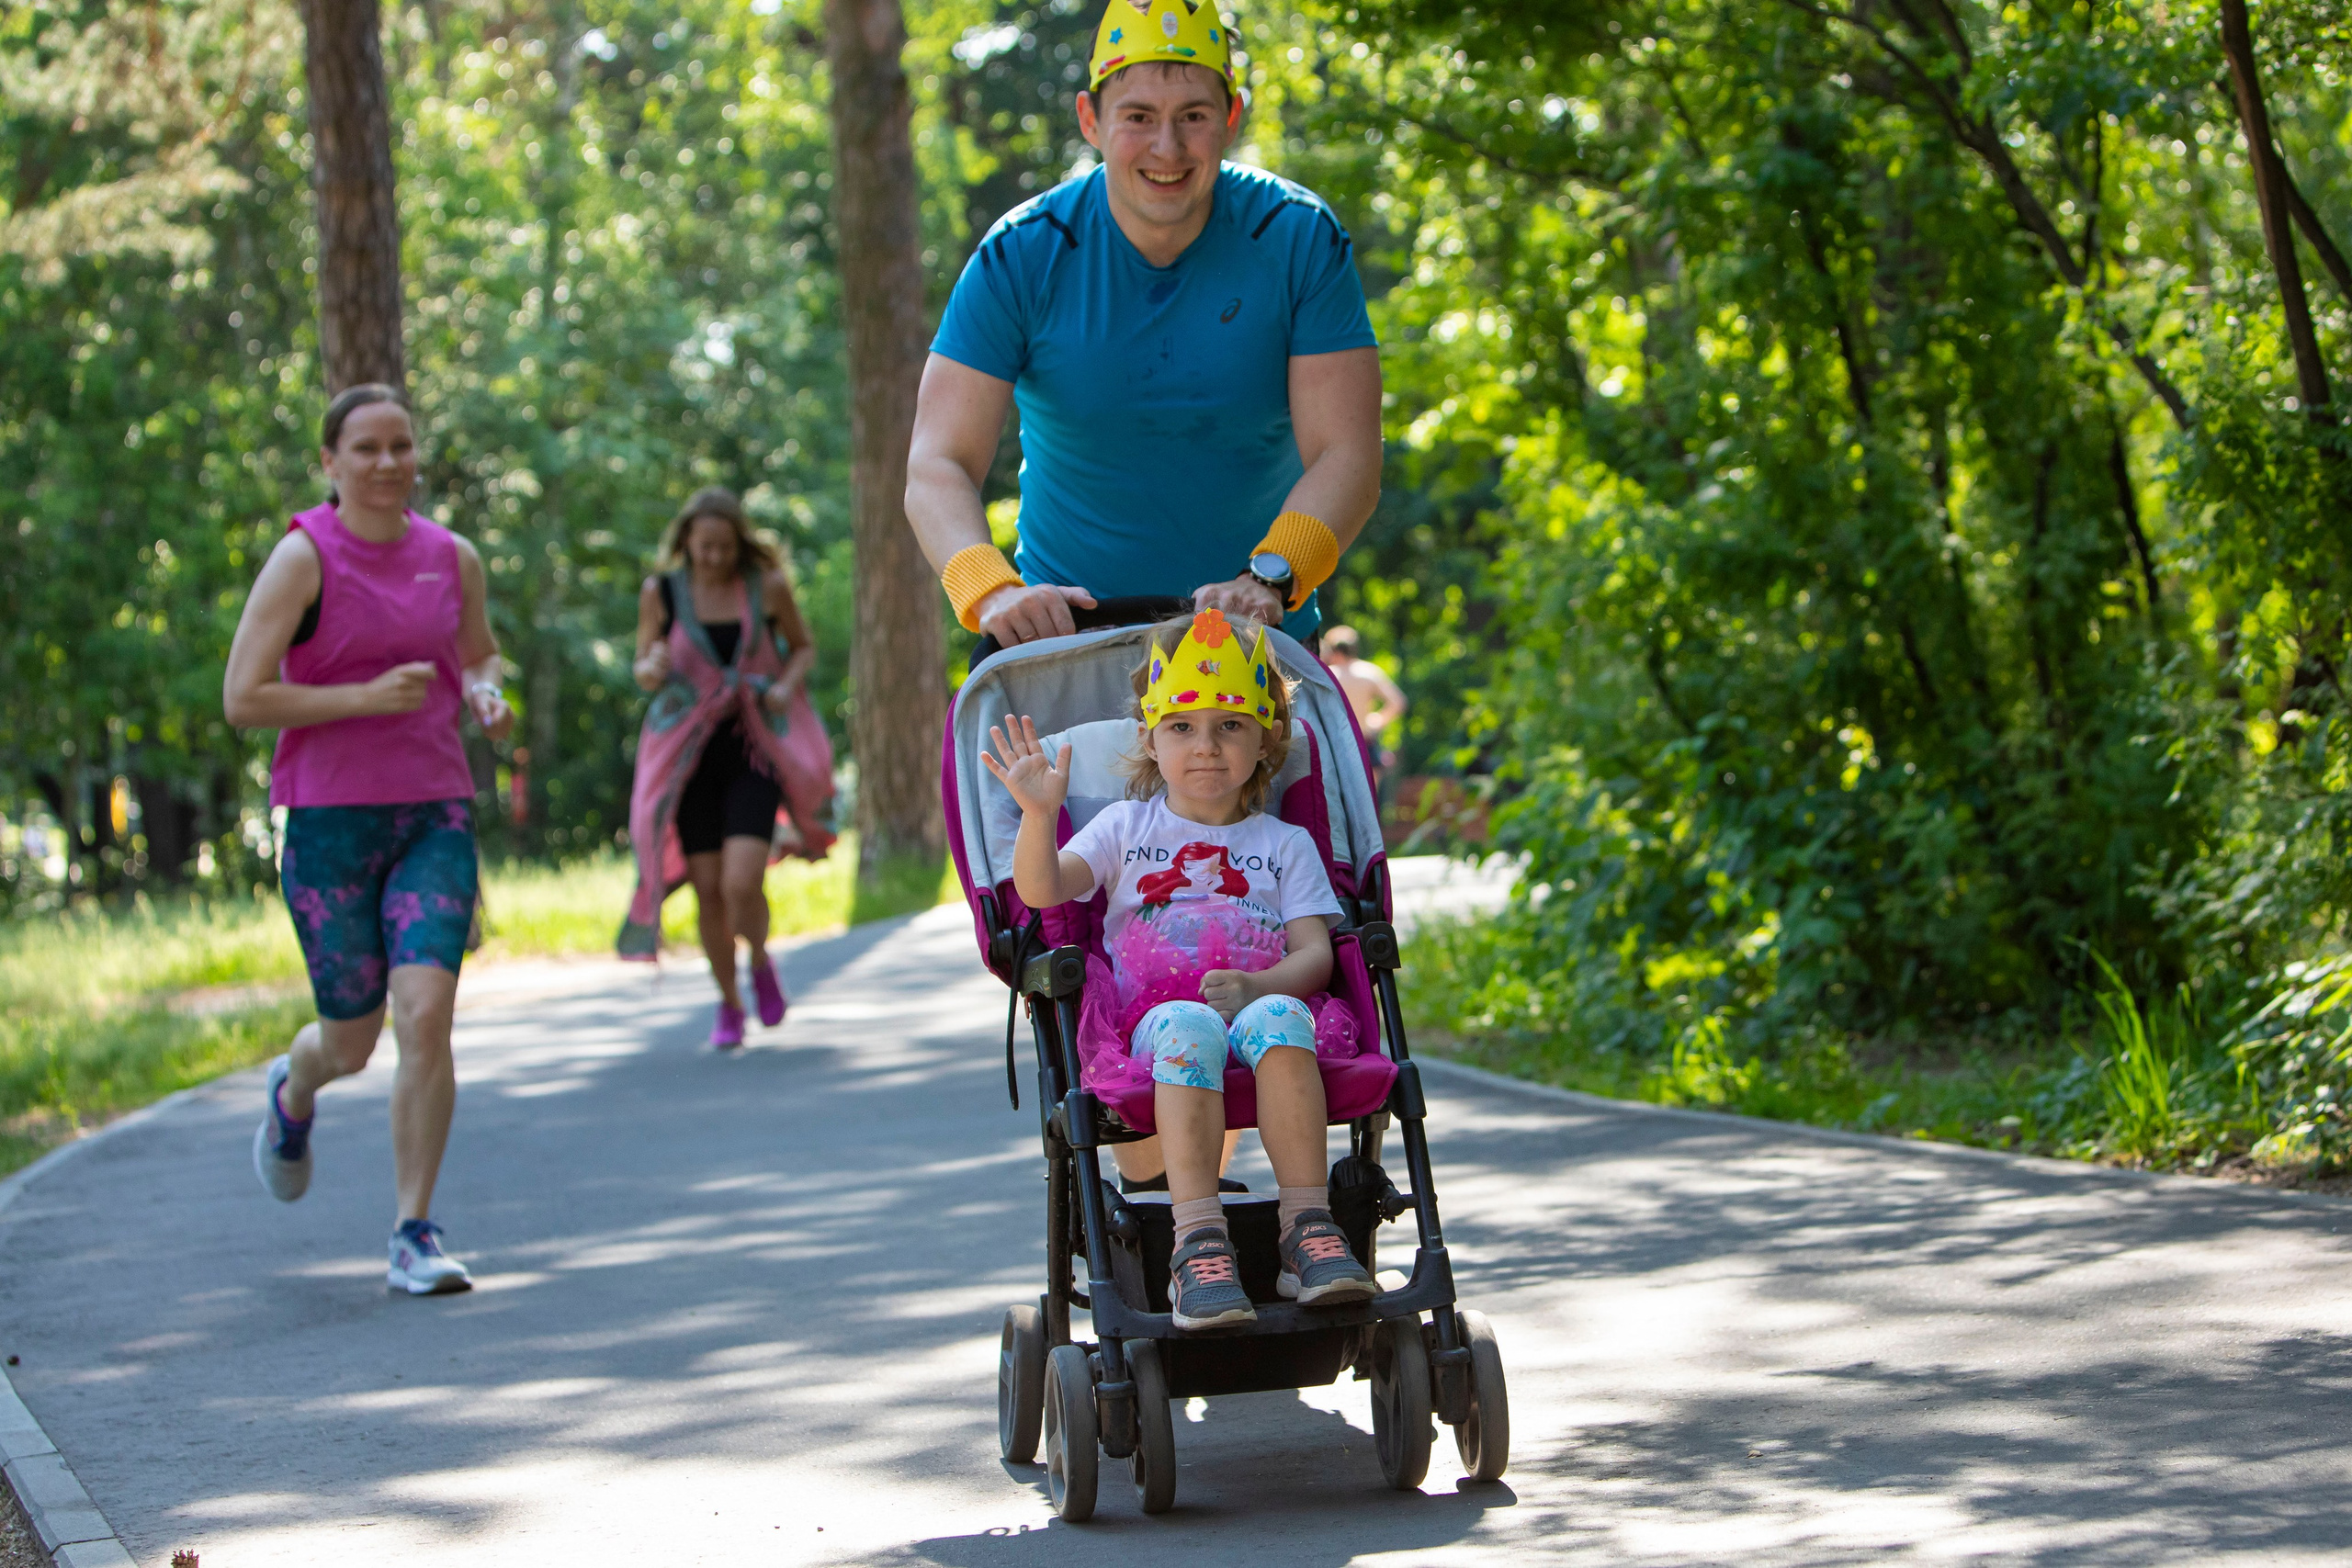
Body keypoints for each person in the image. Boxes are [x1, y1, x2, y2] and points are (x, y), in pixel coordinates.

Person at [909, 0, 1383, 1188]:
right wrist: (988, 586)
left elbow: (1348, 452)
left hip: (1251, 635)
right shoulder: (1026, 254)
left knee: (1286, 896)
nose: (1165, 148)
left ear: (1234, 115)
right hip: (1076, 641)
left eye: (1192, 116)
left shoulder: (1294, 238)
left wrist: (1274, 571)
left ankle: (1290, 1187)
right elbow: (937, 464)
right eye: (1136, 118)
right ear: (1090, 119)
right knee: (1103, 924)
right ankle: (1168, 1198)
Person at [982, 609, 1376, 1329]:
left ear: (1265, 742)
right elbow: (1043, 890)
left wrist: (1262, 985)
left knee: (1286, 1017)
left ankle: (1306, 1229)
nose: (1206, 746)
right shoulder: (1126, 829)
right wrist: (1039, 816)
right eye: (1183, 727)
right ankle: (1198, 1241)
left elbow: (1316, 953)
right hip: (1156, 1022)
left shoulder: (1284, 842)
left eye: (1230, 726)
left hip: (1265, 1004)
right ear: (1150, 739)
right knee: (1188, 1025)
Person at [224, 382, 513, 1296]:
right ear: (331, 463)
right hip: (329, 822)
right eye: (367, 449)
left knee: (424, 1012)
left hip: (434, 810)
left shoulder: (450, 556)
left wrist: (484, 692)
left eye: (402, 446)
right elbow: (243, 697)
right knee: (348, 1042)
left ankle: (413, 1232)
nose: (389, 463)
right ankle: (293, 1090)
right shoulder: (303, 558)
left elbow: (476, 652)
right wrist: (358, 697)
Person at [619, 487, 836, 1050]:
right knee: (709, 890)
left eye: (723, 547)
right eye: (703, 547)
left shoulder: (766, 588)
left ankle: (760, 959)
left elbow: (803, 648)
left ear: (738, 544)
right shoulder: (661, 592)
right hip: (688, 759)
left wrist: (786, 686)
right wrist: (653, 664)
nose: (713, 557)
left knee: (743, 880)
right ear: (686, 542)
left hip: (751, 748)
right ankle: (729, 1003)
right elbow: (643, 666)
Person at [1319, 625, 1406, 795]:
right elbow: (1398, 702)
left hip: (1335, 745)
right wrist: (1376, 721)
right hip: (1365, 744)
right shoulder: (1369, 672)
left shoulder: (1328, 675)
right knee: (1368, 800)